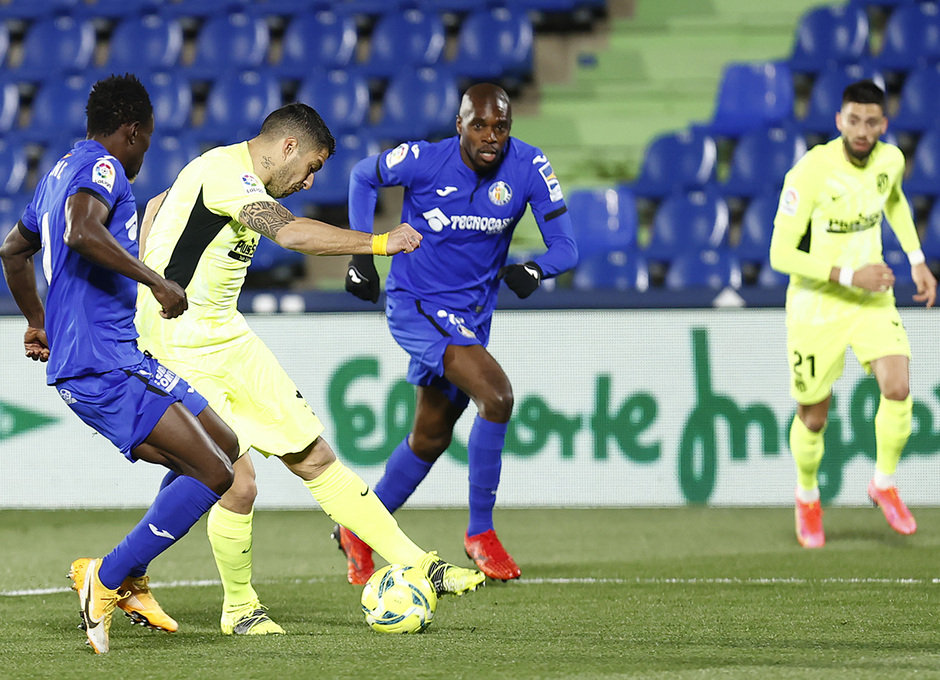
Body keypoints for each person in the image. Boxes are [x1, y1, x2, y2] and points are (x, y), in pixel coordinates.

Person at [135, 102, 485, 636]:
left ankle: (419, 563)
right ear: (288, 147)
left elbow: (158, 203)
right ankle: (239, 609)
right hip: (178, 344)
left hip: (226, 336)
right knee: (237, 480)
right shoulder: (226, 172)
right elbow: (293, 235)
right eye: (312, 166)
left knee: (313, 455)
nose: (310, 181)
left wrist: (150, 267)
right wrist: (379, 243)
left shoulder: (218, 173)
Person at [0, 74, 240, 654]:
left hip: (119, 354)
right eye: (146, 141)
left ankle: (129, 573)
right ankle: (106, 577)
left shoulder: (57, 173)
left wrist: (38, 321)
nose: (144, 154)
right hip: (100, 364)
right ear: (131, 131)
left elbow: (13, 250)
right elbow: (81, 232)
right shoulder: (103, 168)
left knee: (225, 445)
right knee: (215, 475)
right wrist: (156, 280)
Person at [338, 83, 578, 583]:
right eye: (480, 125)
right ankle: (480, 533)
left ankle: (357, 529)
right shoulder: (424, 160)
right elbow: (363, 176)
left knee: (430, 437)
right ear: (460, 125)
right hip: (417, 304)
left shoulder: (530, 167)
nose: (491, 136)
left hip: (471, 317)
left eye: (501, 127)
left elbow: (566, 247)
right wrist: (364, 253)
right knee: (497, 395)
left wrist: (536, 270)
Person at [769, 79, 937, 549]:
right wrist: (848, 275)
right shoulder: (810, 172)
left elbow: (893, 198)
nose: (862, 131)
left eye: (871, 122)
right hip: (817, 304)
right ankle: (807, 496)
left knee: (898, 386)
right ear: (839, 121)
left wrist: (917, 259)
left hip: (870, 299)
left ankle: (883, 483)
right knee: (813, 417)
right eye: (854, 121)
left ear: (883, 125)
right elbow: (780, 254)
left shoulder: (890, 160)